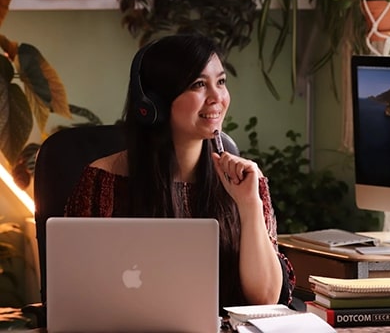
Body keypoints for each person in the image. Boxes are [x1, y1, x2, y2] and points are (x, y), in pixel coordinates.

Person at [64, 34, 296, 312]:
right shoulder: (103, 181)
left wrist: (249, 205)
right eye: (199, 84)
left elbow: (265, 300)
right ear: (153, 104)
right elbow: (74, 292)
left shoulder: (244, 181)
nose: (217, 98)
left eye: (221, 82)